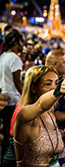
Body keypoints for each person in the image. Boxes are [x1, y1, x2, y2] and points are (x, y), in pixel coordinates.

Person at [12, 66, 65, 167]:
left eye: (57, 83)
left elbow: (48, 148)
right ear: (33, 88)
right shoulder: (24, 114)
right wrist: (57, 91)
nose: (53, 87)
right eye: (48, 83)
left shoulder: (50, 116)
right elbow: (40, 104)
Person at [0, 30, 23, 158]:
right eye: (20, 42)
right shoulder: (15, 58)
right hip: (12, 101)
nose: (21, 45)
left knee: (4, 132)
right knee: (11, 135)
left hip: (3, 99)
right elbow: (17, 82)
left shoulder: (2, 56)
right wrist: (26, 96)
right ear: (15, 42)